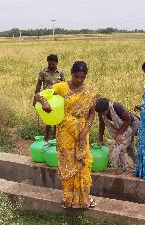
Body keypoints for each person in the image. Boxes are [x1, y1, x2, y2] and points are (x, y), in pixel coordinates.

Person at [33, 60, 98, 209]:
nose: (79, 80)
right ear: (71, 74)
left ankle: (83, 200)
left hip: (82, 132)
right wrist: (44, 102)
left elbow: (91, 113)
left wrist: (86, 130)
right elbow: (38, 95)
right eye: (76, 77)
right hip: (64, 132)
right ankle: (69, 199)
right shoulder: (61, 87)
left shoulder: (90, 91)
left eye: (82, 77)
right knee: (67, 163)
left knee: (83, 164)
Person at [95, 98, 139, 175]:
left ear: (108, 108)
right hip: (123, 127)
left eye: (104, 112)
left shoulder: (116, 107)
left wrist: (119, 134)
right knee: (129, 147)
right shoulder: (101, 112)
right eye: (101, 113)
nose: (102, 114)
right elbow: (101, 125)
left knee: (119, 145)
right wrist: (100, 140)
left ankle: (123, 167)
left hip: (133, 124)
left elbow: (128, 119)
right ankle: (138, 165)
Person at [33, 54, 65, 140]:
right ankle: (46, 137)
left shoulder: (60, 72)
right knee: (47, 117)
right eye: (49, 64)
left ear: (57, 63)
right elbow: (39, 85)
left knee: (56, 117)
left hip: (57, 98)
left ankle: (55, 137)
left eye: (53, 64)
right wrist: (35, 98)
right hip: (46, 98)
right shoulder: (43, 72)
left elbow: (64, 85)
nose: (51, 66)